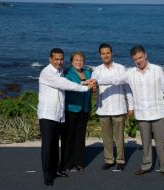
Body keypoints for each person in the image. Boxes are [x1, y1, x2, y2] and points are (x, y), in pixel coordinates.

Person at [93, 45, 164, 178]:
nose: (139, 61)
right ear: (133, 59)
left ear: (145, 55)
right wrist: (96, 80)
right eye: (136, 59)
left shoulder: (157, 70)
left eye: (140, 57)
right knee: (145, 142)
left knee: (161, 143)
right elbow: (114, 80)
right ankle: (146, 166)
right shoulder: (130, 73)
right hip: (141, 113)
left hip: (158, 112)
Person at [38, 48, 95, 186]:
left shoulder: (60, 72)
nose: (59, 61)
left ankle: (56, 170)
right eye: (56, 59)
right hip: (47, 115)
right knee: (47, 147)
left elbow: (66, 84)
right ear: (50, 59)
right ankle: (48, 176)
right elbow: (65, 84)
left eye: (60, 59)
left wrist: (84, 83)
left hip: (58, 115)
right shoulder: (47, 72)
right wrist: (86, 87)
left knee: (54, 146)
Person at [91, 43, 134, 171]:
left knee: (120, 137)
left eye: (107, 53)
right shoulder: (96, 70)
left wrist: (130, 106)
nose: (106, 55)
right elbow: (93, 84)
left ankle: (120, 160)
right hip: (103, 108)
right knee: (106, 137)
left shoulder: (121, 68)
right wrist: (93, 85)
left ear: (112, 53)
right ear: (100, 55)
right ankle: (109, 160)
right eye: (103, 53)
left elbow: (127, 88)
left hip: (119, 107)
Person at [59, 51, 92, 172]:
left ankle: (79, 162)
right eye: (76, 60)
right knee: (68, 137)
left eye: (81, 60)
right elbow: (69, 85)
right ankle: (66, 163)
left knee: (80, 137)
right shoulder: (67, 73)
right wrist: (83, 83)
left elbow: (91, 88)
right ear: (72, 62)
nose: (79, 62)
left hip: (84, 108)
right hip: (71, 108)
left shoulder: (88, 72)